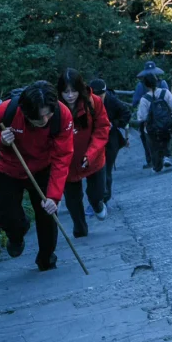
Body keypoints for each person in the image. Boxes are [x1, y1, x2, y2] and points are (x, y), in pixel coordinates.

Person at [0, 80, 74, 272]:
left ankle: (46, 259)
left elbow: (63, 156)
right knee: (9, 217)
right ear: (26, 112)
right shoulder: (8, 110)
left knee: (48, 213)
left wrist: (54, 196)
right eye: (38, 118)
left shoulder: (62, 115)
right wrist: (0, 139)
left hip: (44, 167)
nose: (44, 121)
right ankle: (17, 234)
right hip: (9, 169)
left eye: (47, 115)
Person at [57, 68, 111, 235]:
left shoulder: (93, 102)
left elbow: (102, 128)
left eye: (73, 91)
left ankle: (97, 205)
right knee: (73, 200)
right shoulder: (54, 109)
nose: (70, 95)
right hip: (68, 162)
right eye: (66, 92)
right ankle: (80, 228)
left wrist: (91, 153)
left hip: (93, 157)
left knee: (96, 193)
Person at [135, 70, 172, 173]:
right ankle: (167, 155)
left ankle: (157, 163)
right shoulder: (165, 92)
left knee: (151, 141)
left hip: (152, 130)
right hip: (167, 126)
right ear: (157, 81)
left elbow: (141, 117)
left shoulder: (144, 99)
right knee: (166, 134)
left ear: (145, 85)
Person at [90, 77, 130, 203]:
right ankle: (96, 197)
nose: (98, 97)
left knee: (106, 168)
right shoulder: (86, 102)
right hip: (93, 140)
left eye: (101, 94)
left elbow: (126, 113)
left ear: (105, 92)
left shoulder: (112, 101)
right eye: (95, 95)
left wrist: (115, 123)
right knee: (94, 170)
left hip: (110, 139)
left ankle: (105, 198)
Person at [132, 63, 164, 167]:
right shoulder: (163, 83)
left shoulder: (141, 85)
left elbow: (135, 102)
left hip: (146, 117)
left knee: (145, 137)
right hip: (161, 115)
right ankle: (163, 157)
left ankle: (150, 160)